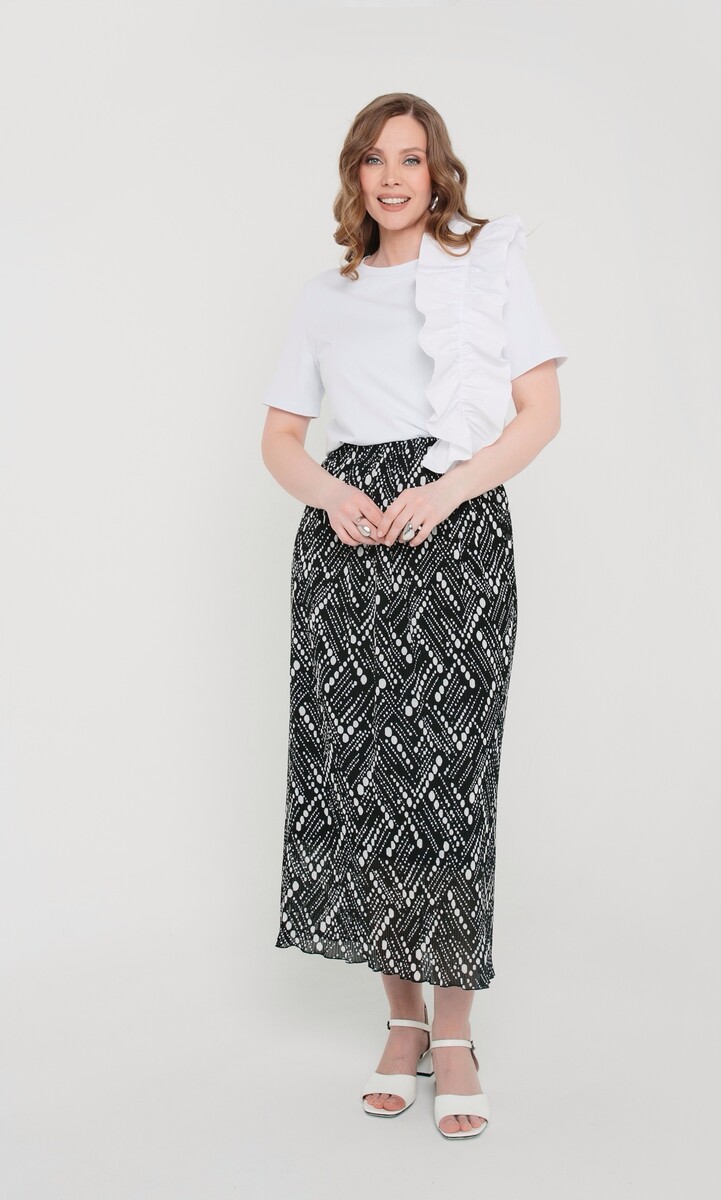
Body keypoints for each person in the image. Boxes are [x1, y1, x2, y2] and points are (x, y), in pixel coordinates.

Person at [260, 92, 566, 1140]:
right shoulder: (324, 297)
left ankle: (455, 1033)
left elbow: (539, 415)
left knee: (448, 783)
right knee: (362, 782)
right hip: (348, 548)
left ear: (438, 174)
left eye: (411, 159)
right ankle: (400, 1022)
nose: (391, 177)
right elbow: (281, 438)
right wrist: (327, 493)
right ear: (354, 176)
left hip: (457, 532)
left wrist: (446, 492)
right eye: (373, 160)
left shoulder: (488, 270)